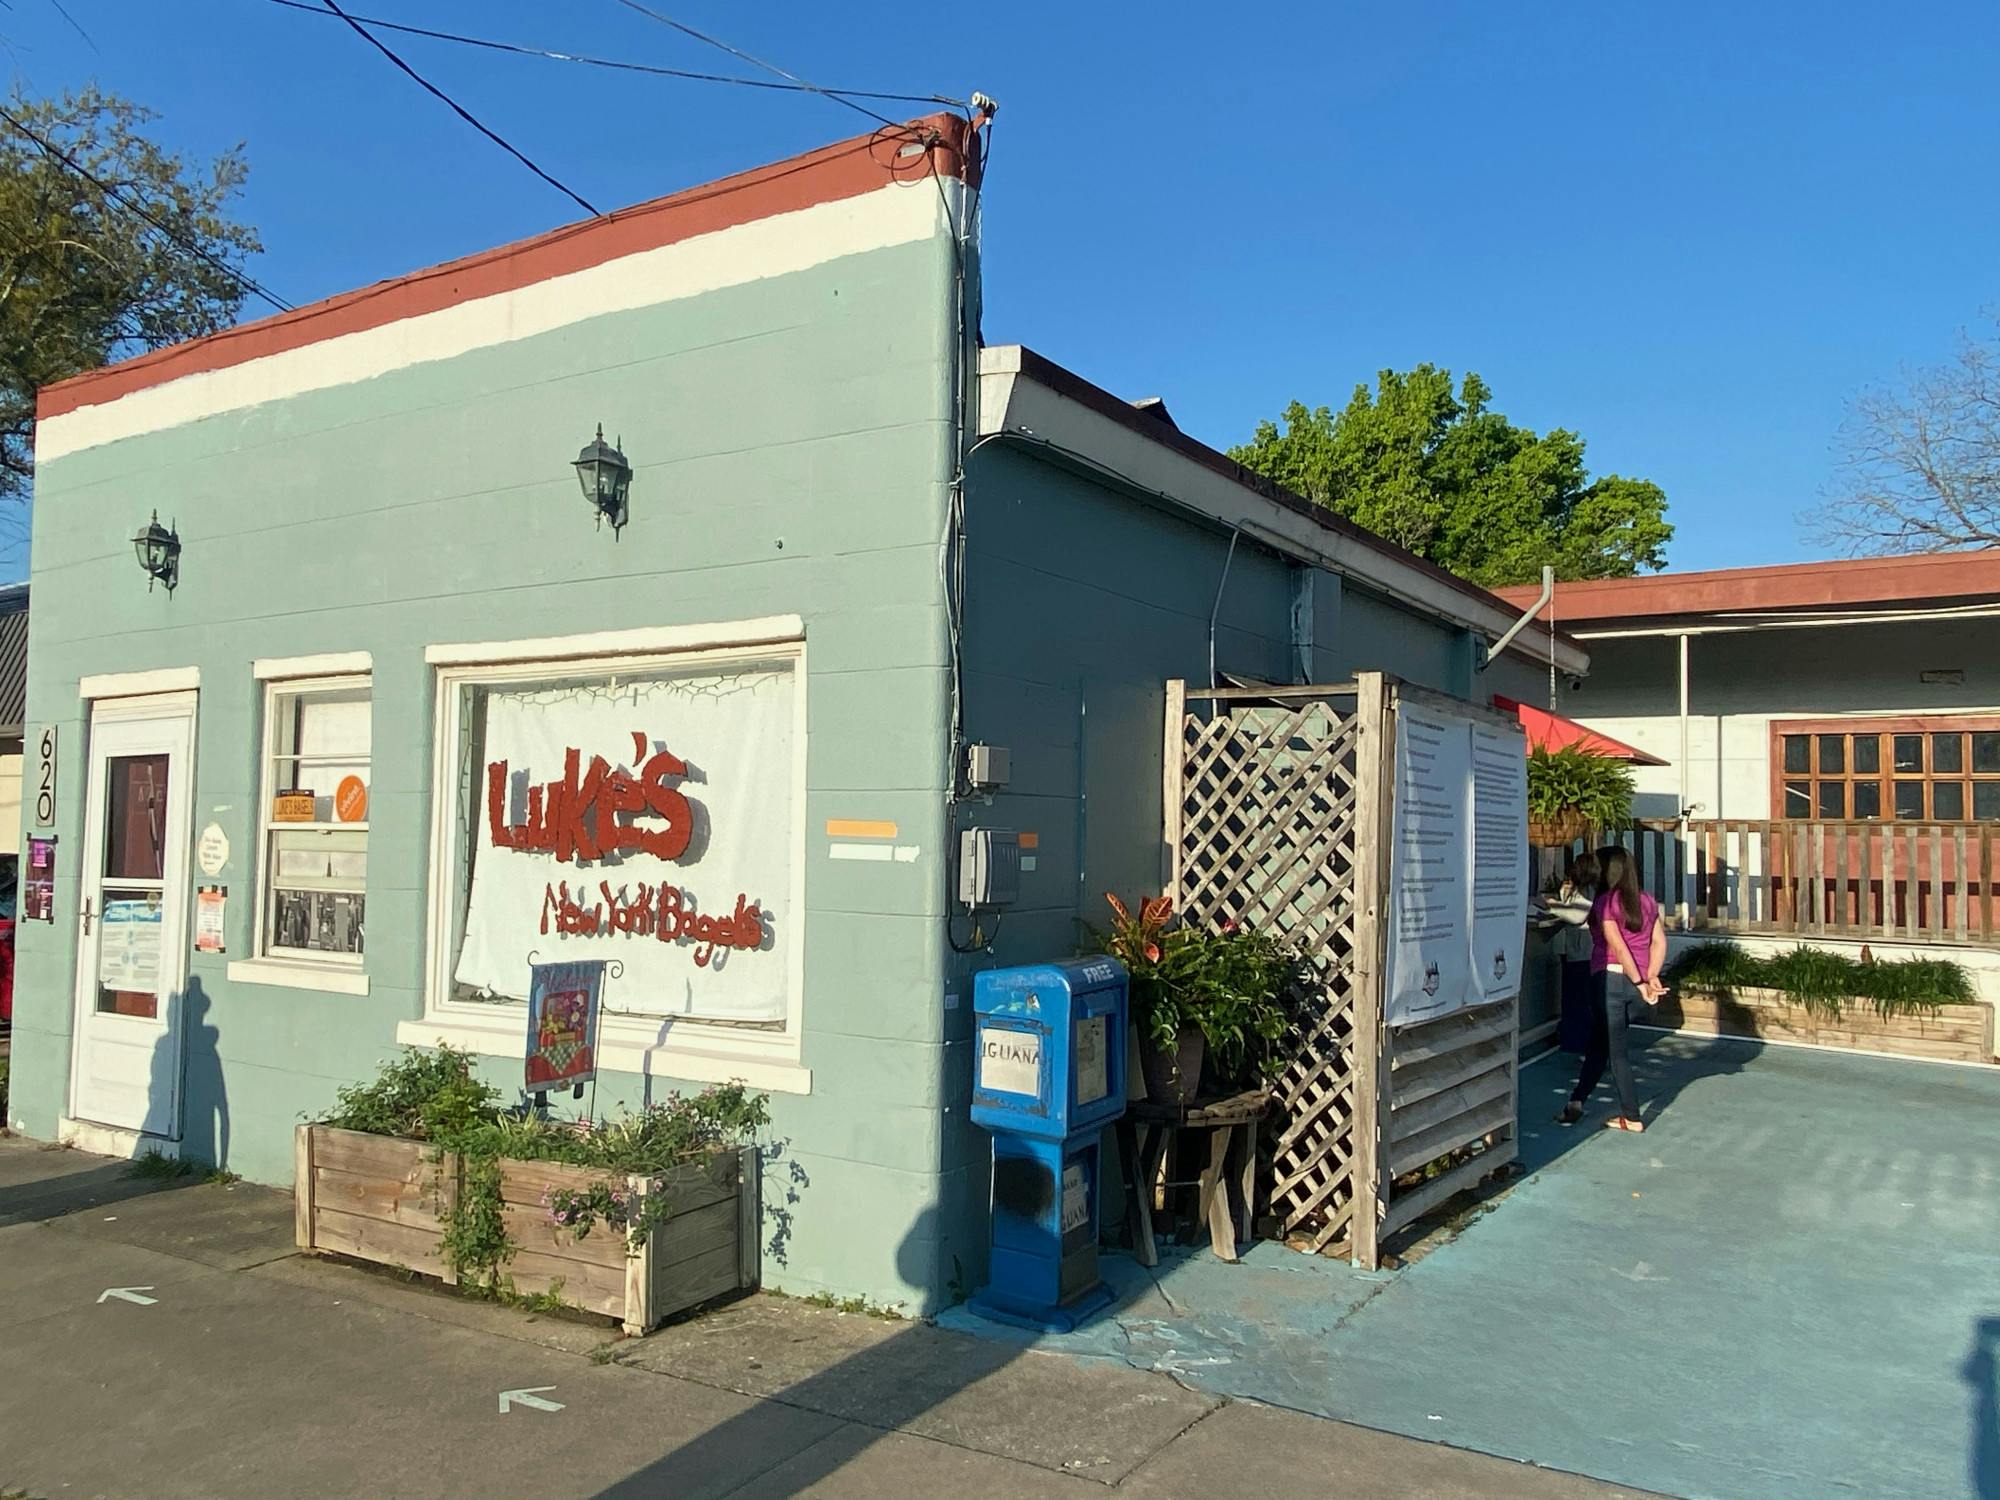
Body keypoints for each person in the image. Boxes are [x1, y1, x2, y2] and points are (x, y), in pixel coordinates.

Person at [1558, 844, 1664, 1132]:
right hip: (1635, 984)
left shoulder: (1606, 902)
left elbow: (1616, 945)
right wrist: (1650, 976)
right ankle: (1576, 1101)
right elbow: (1658, 942)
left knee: (1616, 1053)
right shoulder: (1647, 901)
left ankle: (1632, 1116)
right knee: (1600, 1043)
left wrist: (1641, 982)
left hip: (1611, 982)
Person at [1545, 852, 1600, 1055]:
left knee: (1577, 998)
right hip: (1578, 950)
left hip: (1581, 950)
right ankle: (1575, 1039)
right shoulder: (1584, 888)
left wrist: (1551, 904)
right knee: (1577, 998)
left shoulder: (1588, 890)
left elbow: (1577, 915)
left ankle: (1577, 1042)